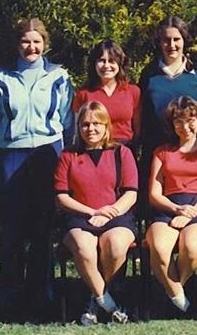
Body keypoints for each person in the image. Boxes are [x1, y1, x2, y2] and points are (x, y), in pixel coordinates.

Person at [0, 17, 74, 315]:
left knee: (42, 227)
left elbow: (67, 121)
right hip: (11, 154)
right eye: (26, 41)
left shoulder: (59, 77)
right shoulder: (1, 78)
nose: (31, 47)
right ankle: (8, 296)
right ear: (17, 43)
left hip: (46, 153)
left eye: (37, 41)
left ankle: (42, 293)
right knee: (12, 228)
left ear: (45, 44)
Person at [54, 101, 138, 325]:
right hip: (79, 216)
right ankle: (109, 304)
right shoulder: (68, 156)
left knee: (116, 246)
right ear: (78, 127)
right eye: (85, 124)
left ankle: (92, 302)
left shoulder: (122, 152)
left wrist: (110, 212)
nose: (91, 129)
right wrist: (91, 211)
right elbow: (62, 196)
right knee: (84, 248)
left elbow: (131, 193)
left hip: (117, 215)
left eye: (97, 124)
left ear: (106, 126)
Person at [145, 96, 197, 313]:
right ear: (172, 125)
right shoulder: (161, 153)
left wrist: (189, 213)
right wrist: (176, 209)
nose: (185, 126)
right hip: (167, 208)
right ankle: (179, 299)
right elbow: (154, 193)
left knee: (192, 248)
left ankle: (171, 291)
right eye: (179, 121)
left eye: (190, 120)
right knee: (159, 249)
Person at [139, 16, 197, 165]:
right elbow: (143, 116)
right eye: (166, 39)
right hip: (157, 152)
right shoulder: (149, 74)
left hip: (192, 153)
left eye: (176, 39)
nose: (171, 44)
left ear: (184, 41)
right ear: (159, 42)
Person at [73, 40, 141, 147]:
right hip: (94, 148)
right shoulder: (84, 93)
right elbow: (77, 129)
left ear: (119, 64)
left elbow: (138, 127)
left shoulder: (133, 91)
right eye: (102, 60)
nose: (106, 65)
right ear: (94, 64)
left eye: (112, 61)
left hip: (125, 149)